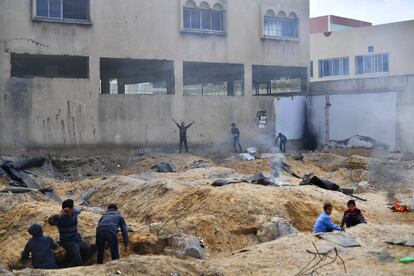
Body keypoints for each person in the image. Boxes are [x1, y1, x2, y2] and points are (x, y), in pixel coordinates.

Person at [48, 199, 90, 267]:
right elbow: (50, 222)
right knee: (77, 260)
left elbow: (78, 210)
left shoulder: (74, 212)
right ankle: (69, 267)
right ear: (69, 209)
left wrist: (82, 208)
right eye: (73, 206)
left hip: (77, 238)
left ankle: (69, 258)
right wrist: (60, 215)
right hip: (68, 241)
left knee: (87, 250)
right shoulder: (59, 218)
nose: (74, 207)